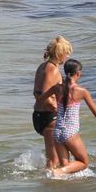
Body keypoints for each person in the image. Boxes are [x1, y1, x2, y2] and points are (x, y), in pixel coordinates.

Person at [49, 60, 96, 177]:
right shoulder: (81, 91)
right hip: (70, 132)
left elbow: (41, 98)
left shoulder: (56, 88)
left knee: (66, 165)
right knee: (83, 162)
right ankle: (57, 171)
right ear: (78, 73)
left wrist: (53, 106)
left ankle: (65, 189)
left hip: (57, 131)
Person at [34, 37, 72, 170]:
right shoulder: (53, 70)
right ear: (60, 54)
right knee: (54, 161)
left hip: (39, 116)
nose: (67, 57)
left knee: (53, 159)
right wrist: (58, 111)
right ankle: (51, 186)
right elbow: (45, 96)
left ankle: (49, 182)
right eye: (67, 53)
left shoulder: (42, 67)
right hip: (49, 117)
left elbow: (36, 93)